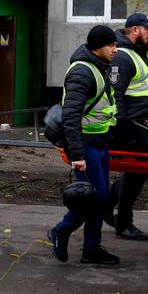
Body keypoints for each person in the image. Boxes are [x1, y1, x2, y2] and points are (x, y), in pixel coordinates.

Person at [48, 25, 121, 265]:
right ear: (99, 46)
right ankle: (62, 231)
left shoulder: (99, 67)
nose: (115, 49)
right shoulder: (82, 72)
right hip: (86, 146)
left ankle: (91, 249)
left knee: (100, 197)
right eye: (111, 45)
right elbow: (71, 115)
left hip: (99, 143)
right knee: (94, 198)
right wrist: (78, 154)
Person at [106, 13, 148, 241]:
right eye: (147, 29)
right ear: (135, 30)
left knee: (141, 171)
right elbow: (115, 95)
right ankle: (124, 222)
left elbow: (142, 90)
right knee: (137, 172)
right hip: (129, 128)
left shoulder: (135, 53)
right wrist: (122, 127)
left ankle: (109, 204)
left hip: (139, 125)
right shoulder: (123, 57)